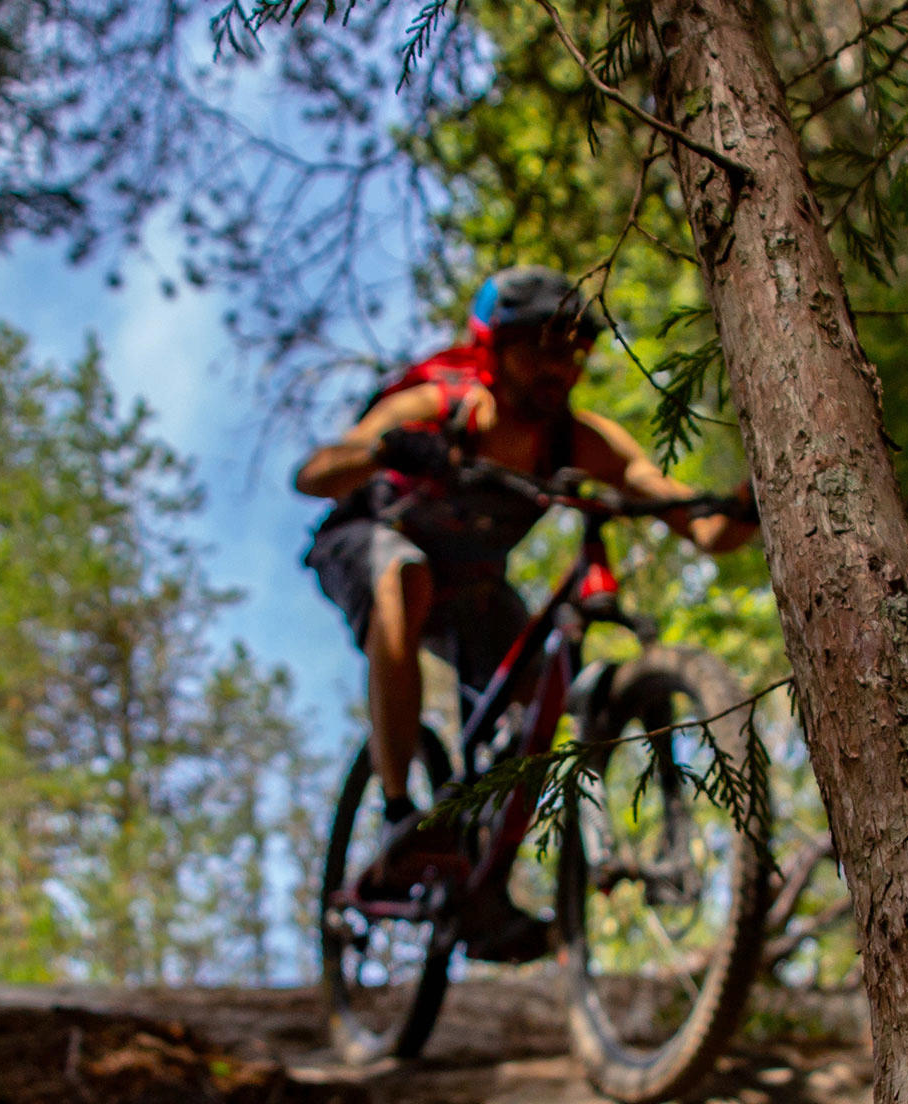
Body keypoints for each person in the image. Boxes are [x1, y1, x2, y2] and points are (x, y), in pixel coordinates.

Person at [295, 265, 755, 957]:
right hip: (368, 543)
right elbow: (315, 475)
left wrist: (756, 494)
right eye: (541, 346)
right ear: (495, 346)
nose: (560, 365)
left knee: (544, 702)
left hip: (472, 585)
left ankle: (485, 893)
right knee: (405, 577)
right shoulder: (441, 402)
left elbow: (699, 525)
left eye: (574, 349)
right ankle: (398, 812)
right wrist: (387, 447)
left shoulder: (581, 441)